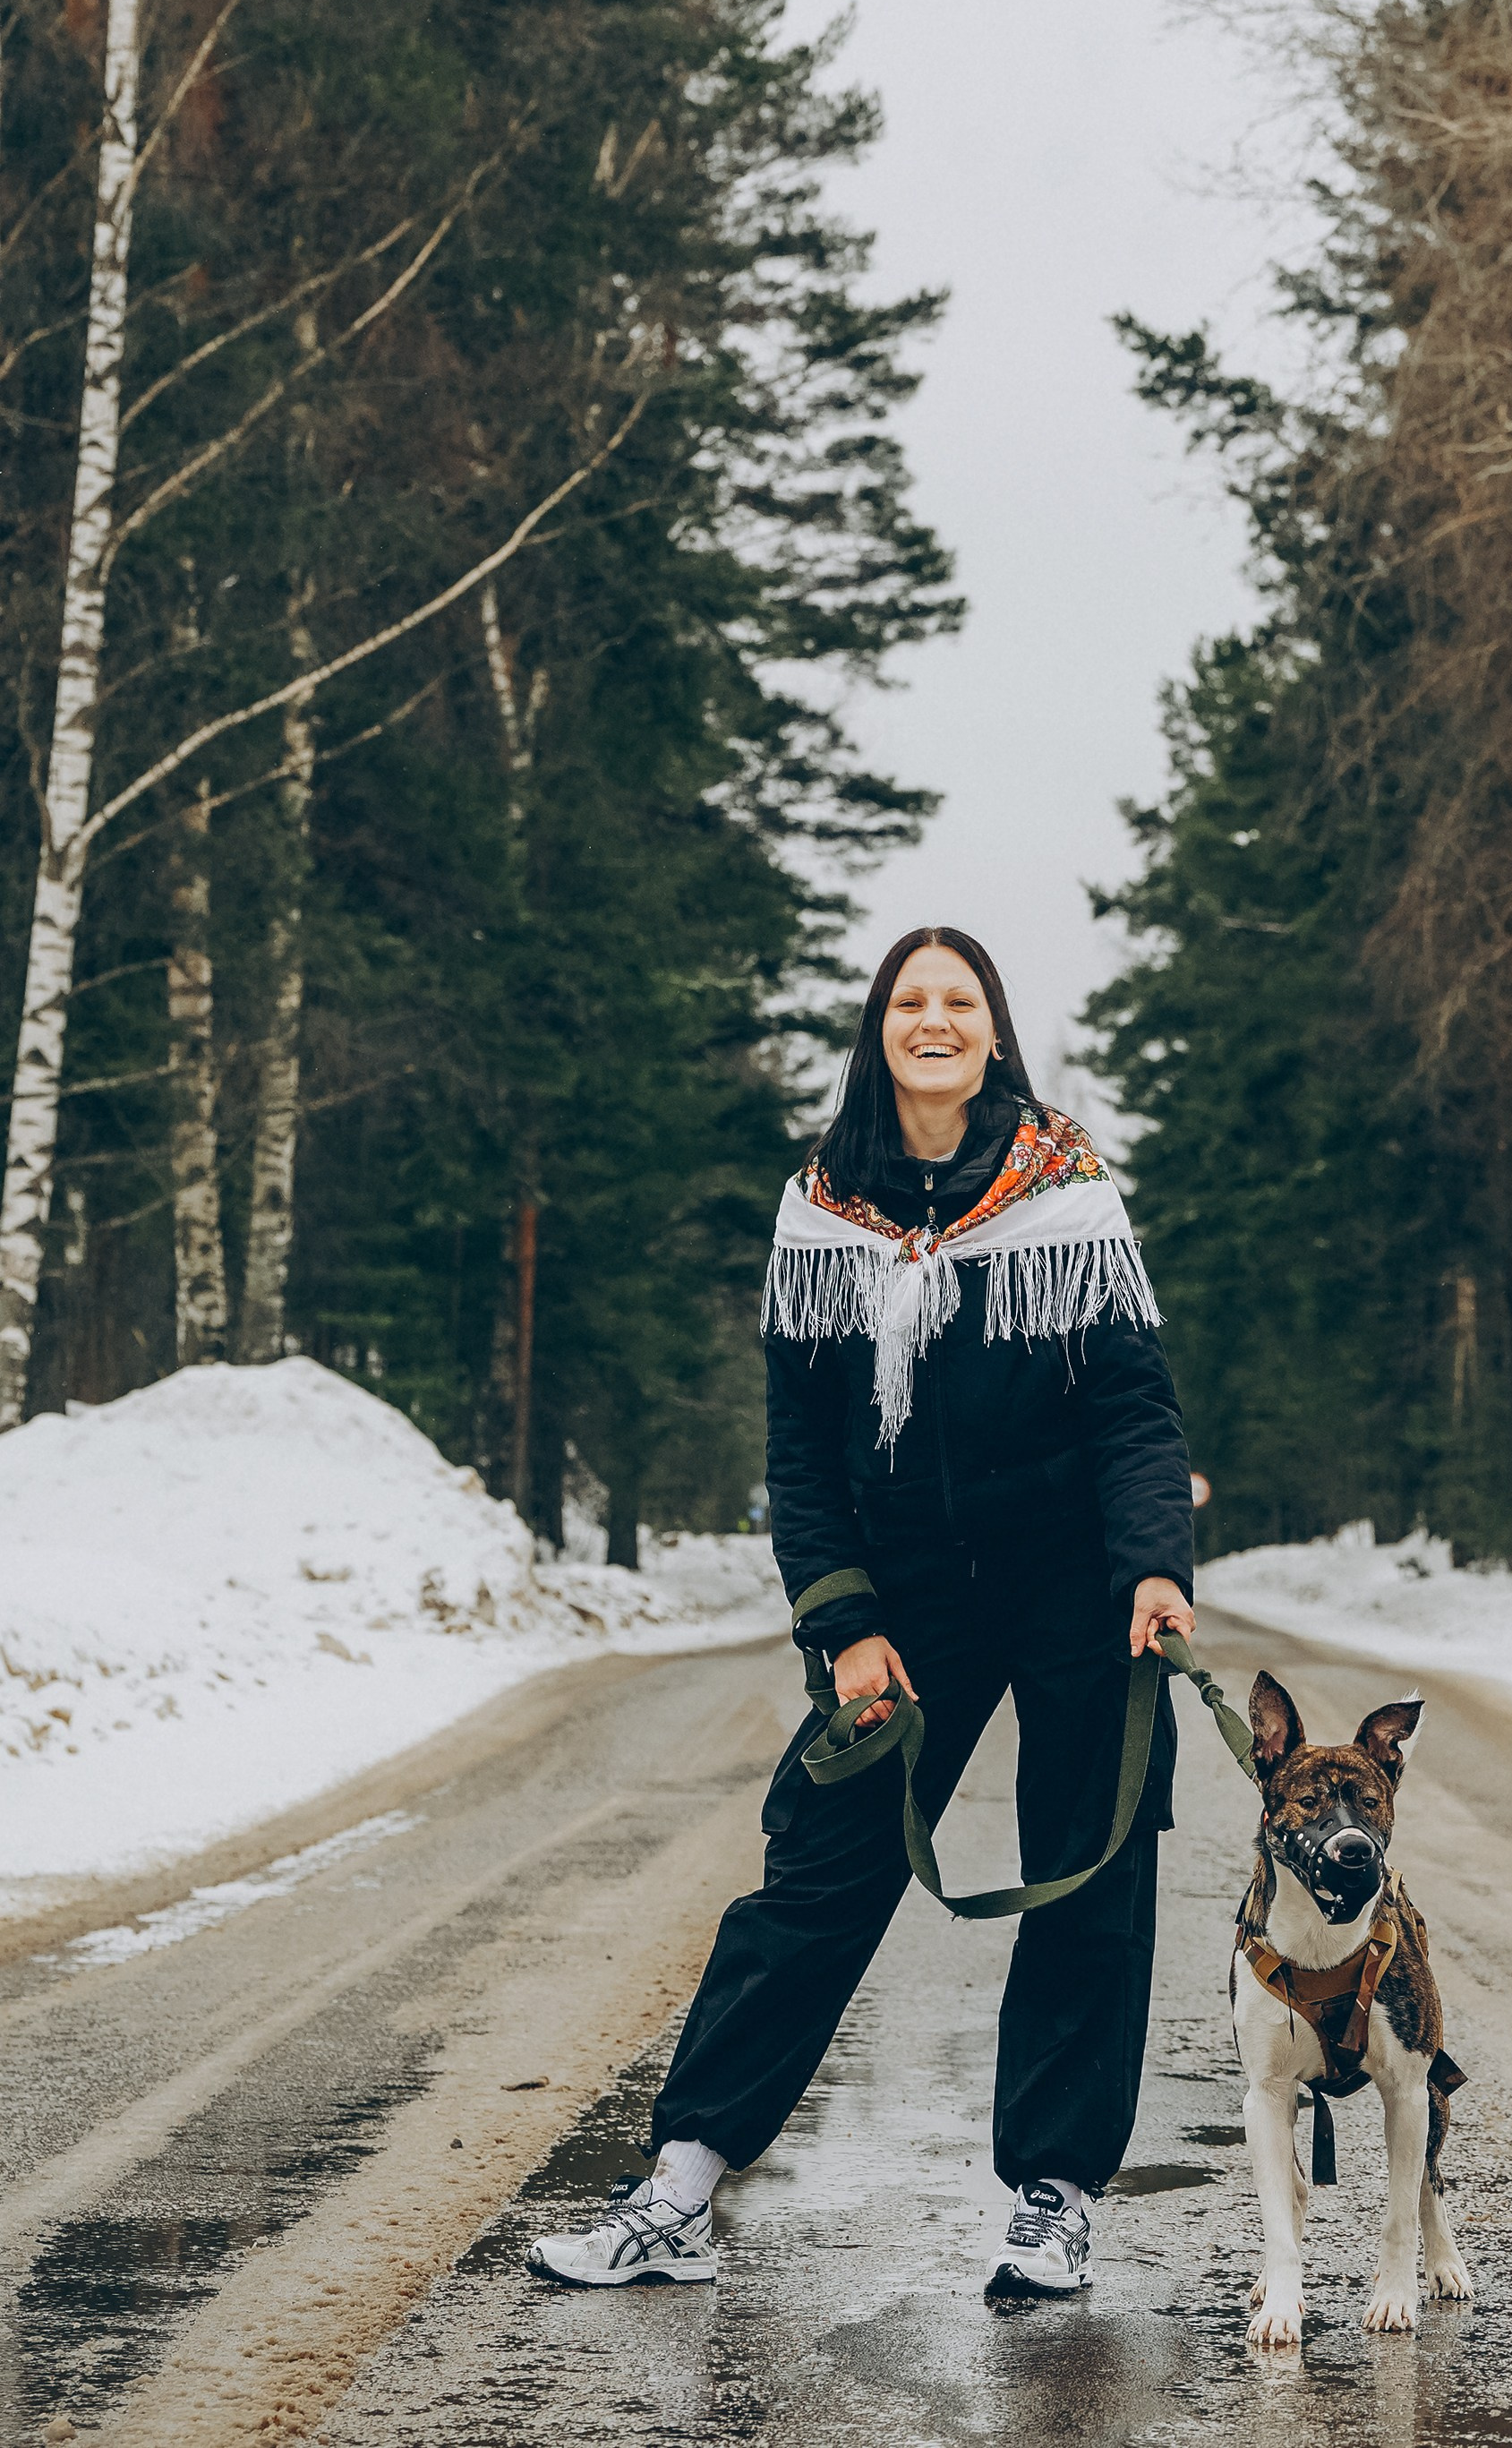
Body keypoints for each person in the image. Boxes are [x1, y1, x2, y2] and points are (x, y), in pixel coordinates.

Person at [528, 925, 1195, 2303]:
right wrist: (841, 1624)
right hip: (903, 1599)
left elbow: (1134, 1404)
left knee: (1094, 1878)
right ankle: (682, 2188)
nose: (935, 1019)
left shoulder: (1066, 1187)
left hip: (1077, 1585)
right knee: (818, 1878)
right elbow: (801, 1453)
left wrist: (1152, 1563)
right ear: (880, 1030)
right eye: (911, 1000)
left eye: (960, 1000)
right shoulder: (820, 1206)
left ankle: (1055, 2199)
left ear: (995, 1031)